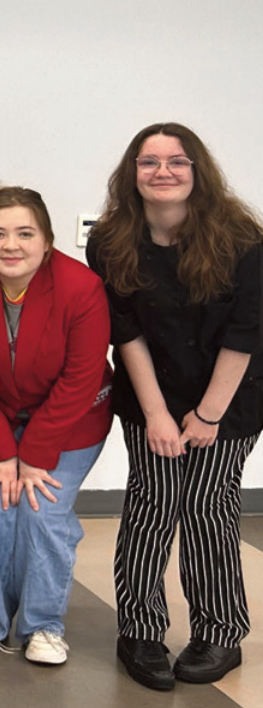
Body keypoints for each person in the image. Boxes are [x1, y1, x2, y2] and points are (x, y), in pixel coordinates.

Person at [87, 122, 263, 690]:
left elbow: (246, 334)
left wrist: (208, 416)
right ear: (132, 173)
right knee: (153, 502)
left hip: (230, 396)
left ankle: (220, 632)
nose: (163, 171)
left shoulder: (244, 241)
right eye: (149, 161)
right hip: (151, 394)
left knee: (209, 505)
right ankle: (139, 630)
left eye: (177, 161)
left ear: (197, 171)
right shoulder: (110, 241)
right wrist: (157, 415)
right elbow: (125, 333)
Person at [0, 185, 113, 665]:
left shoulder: (82, 287)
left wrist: (33, 455)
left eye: (25, 233)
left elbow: (81, 378)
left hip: (71, 419)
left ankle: (44, 626)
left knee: (41, 511)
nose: (11, 245)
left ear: (47, 240)